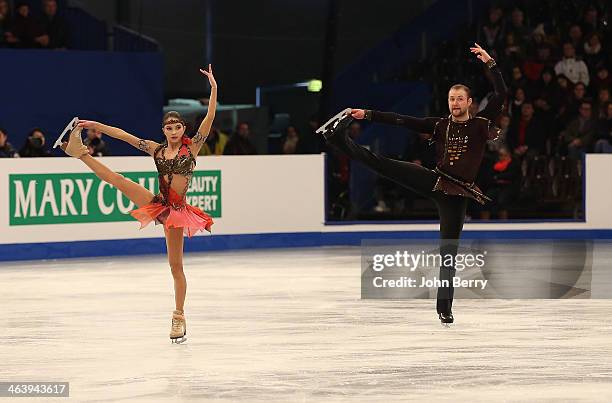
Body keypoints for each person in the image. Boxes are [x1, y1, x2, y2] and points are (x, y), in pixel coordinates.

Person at [320, 43, 507, 325]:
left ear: (469, 102)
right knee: (383, 164)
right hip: (435, 180)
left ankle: (444, 308)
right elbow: (402, 120)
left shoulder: (481, 124)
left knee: (449, 253)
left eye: (459, 99)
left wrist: (490, 63)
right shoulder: (440, 125)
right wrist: (367, 114)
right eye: (451, 99)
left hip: (458, 194)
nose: (454, 103)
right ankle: (339, 140)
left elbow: (502, 93)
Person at [61, 65, 217, 343]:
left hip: (177, 212)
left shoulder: (192, 147)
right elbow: (124, 135)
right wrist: (97, 126)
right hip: (158, 202)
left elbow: (209, 117)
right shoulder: (155, 149)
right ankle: (80, 152)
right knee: (117, 180)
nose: (173, 131)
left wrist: (213, 88)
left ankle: (178, 316)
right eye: (169, 128)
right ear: (164, 130)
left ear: (183, 129)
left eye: (177, 127)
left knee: (175, 267)